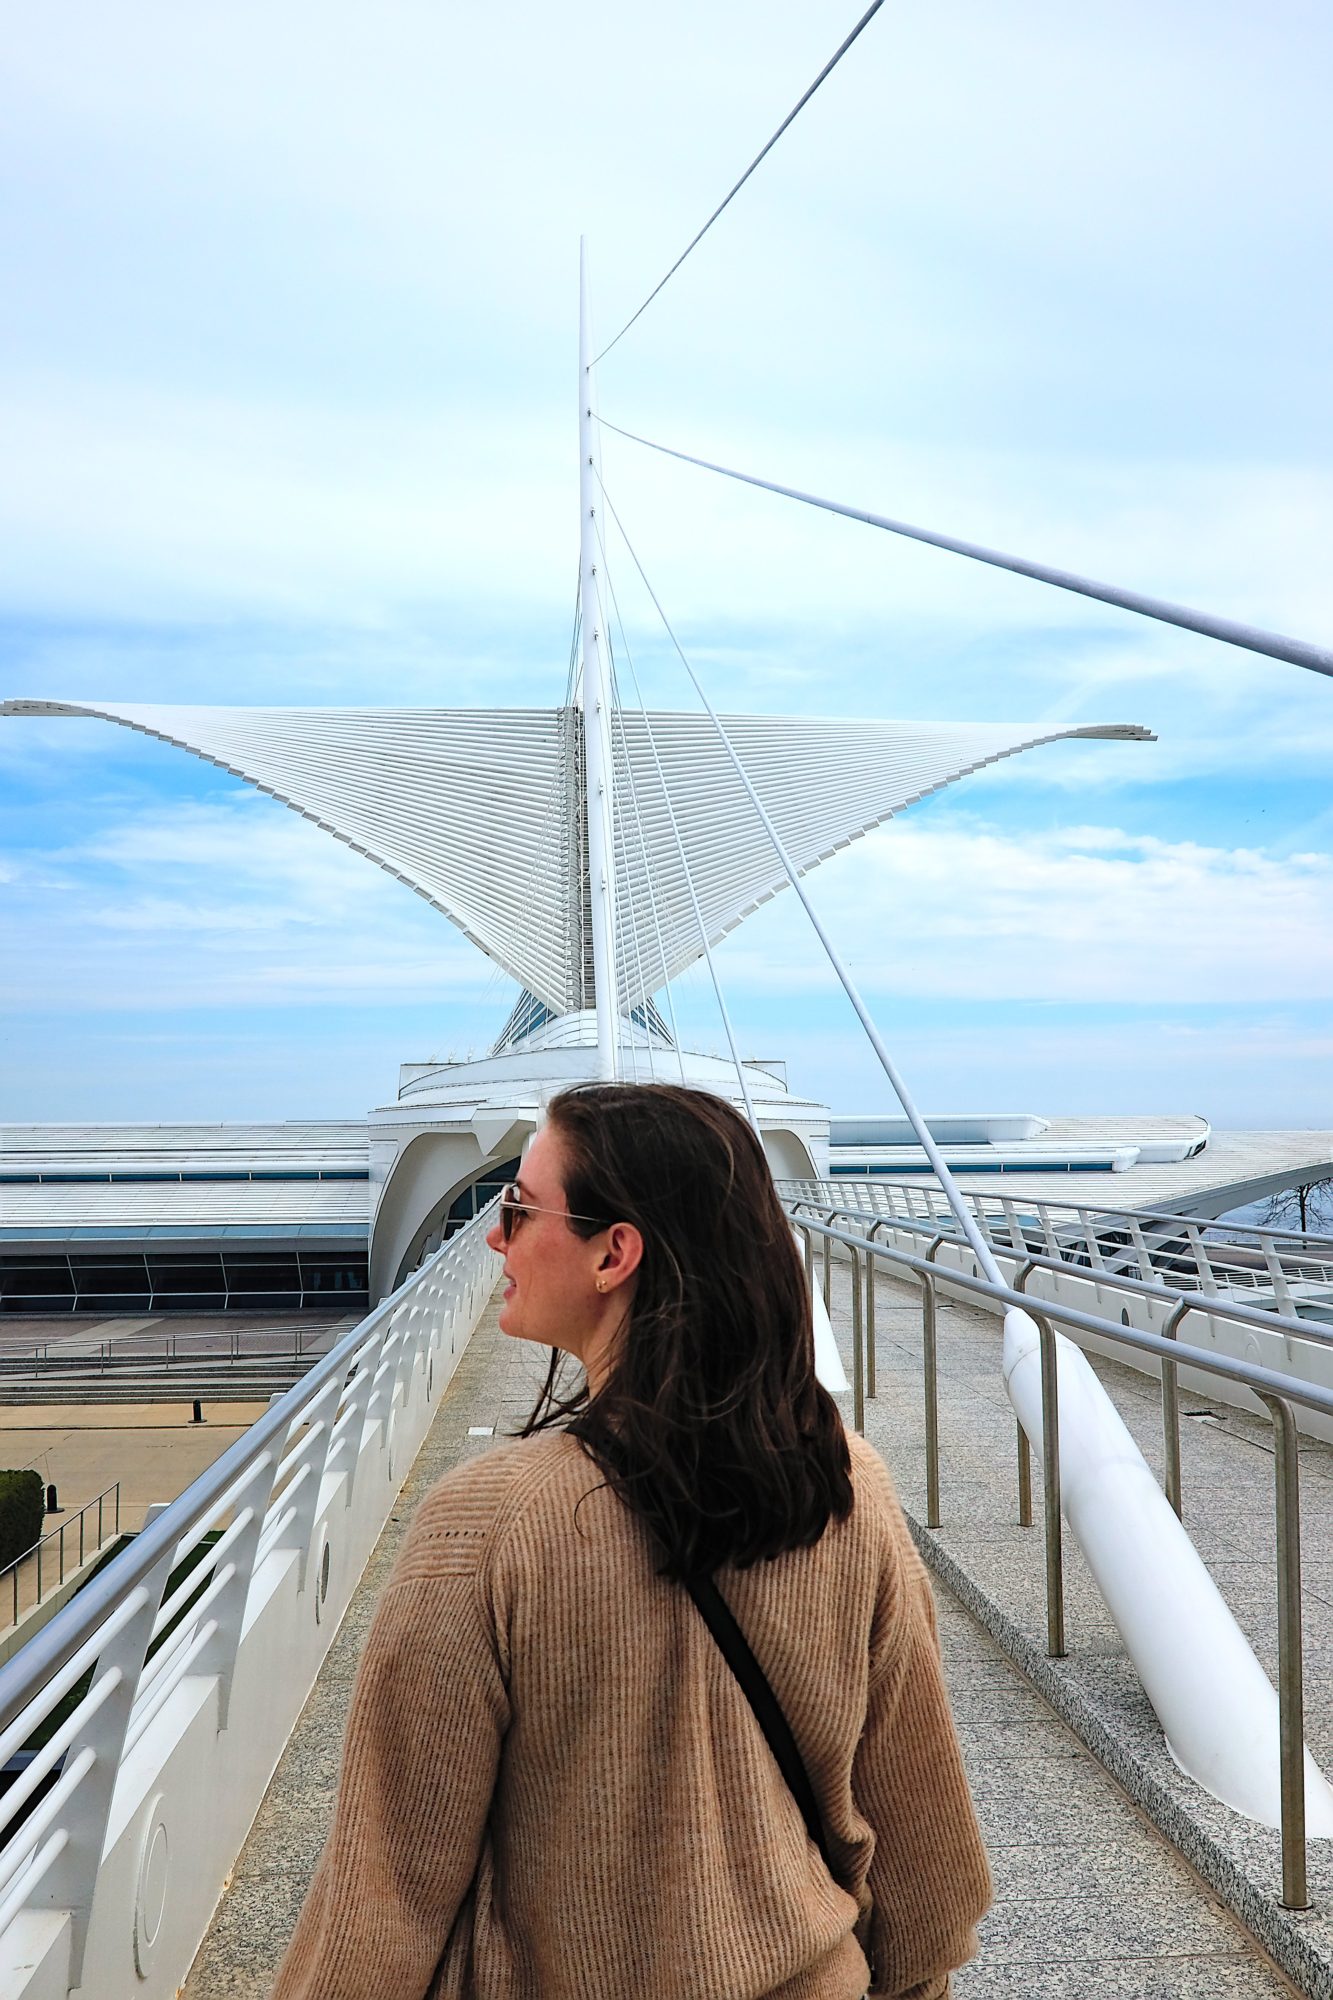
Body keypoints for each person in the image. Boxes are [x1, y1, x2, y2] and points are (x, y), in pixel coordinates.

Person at [271, 1082, 990, 2000]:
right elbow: (930, 1868)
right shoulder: (848, 1489)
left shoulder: (488, 1525)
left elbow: (383, 1902)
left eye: (518, 1207)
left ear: (615, 1254)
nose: (495, 1236)